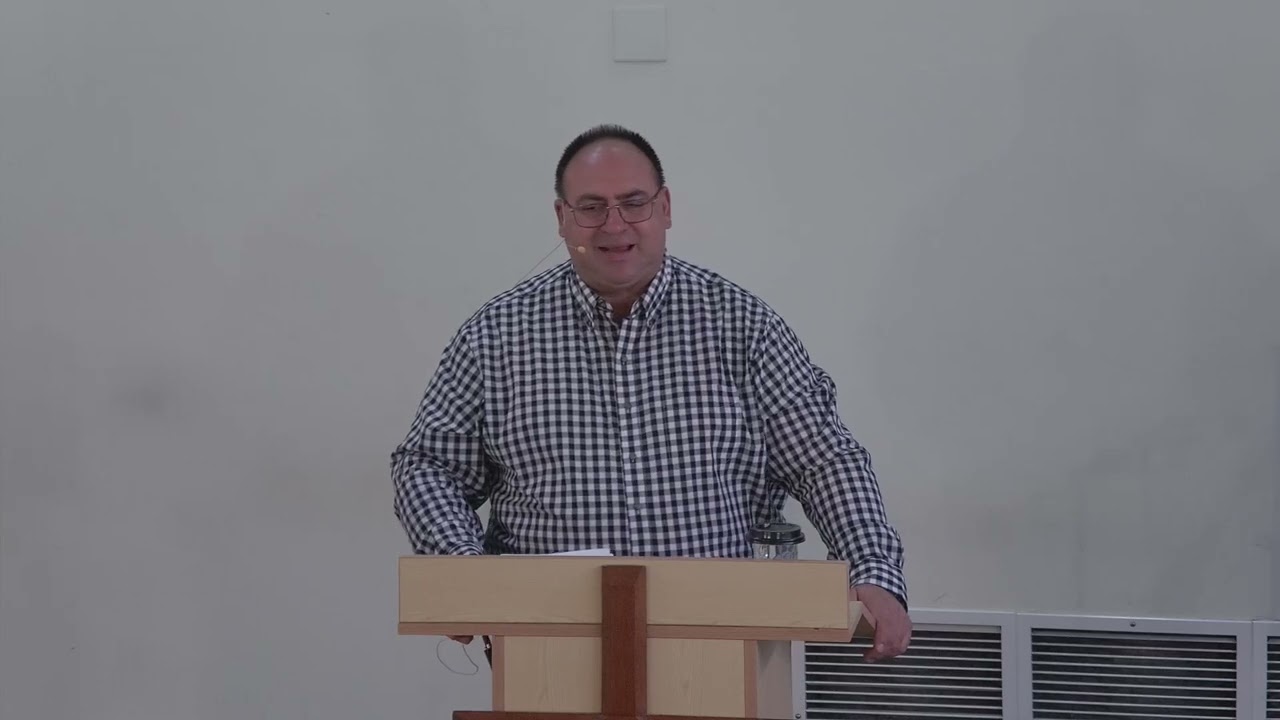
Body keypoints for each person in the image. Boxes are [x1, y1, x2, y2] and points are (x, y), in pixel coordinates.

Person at [391, 124, 911, 661]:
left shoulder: (741, 326)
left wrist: (873, 569)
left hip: (719, 642)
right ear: (562, 217)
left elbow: (823, 460)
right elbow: (428, 465)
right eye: (591, 207)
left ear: (664, 208)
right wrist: (461, 569)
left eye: (633, 203)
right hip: (544, 651)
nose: (614, 224)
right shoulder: (496, 336)